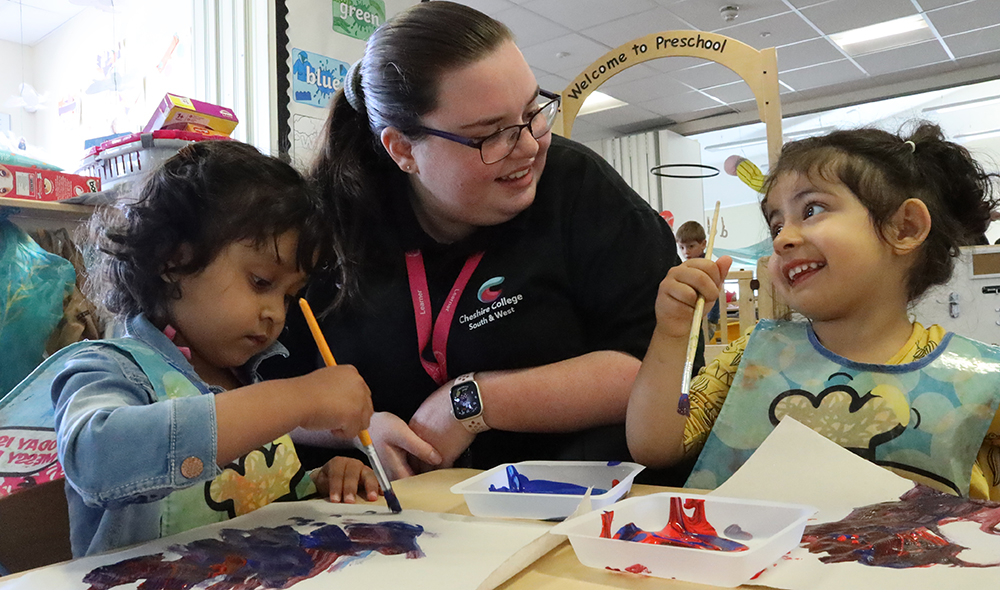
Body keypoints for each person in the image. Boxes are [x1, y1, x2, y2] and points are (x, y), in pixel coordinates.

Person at [262, 1, 688, 481]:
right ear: (403, 149)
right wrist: (355, 431)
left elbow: (657, 368)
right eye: (491, 135)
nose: (527, 146)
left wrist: (469, 402)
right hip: (404, 524)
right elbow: (260, 387)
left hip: (582, 504)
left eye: (533, 111)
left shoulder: (578, 188)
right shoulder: (332, 224)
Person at [627, 123, 1000, 500]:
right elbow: (654, 446)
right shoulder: (751, 359)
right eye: (776, 225)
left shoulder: (984, 381)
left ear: (904, 228)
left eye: (812, 209)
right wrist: (672, 334)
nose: (783, 238)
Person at [43, 140, 376, 557]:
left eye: (290, 296)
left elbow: (247, 501)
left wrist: (317, 482)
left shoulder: (245, 379)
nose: (276, 312)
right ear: (172, 261)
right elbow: (96, 460)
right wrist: (296, 398)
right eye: (261, 282)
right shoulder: (108, 367)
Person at [675, 220, 721, 330]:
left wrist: (712, 318)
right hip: (692, 318)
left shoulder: (707, 265)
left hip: (707, 319)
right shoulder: (685, 267)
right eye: (682, 247)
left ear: (703, 244)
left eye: (691, 246)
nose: (686, 252)